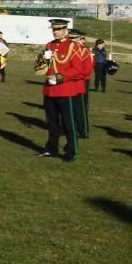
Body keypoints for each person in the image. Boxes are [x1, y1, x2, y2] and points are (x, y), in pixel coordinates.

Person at [39, 19, 82, 161]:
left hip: (64, 89)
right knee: (51, 122)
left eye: (58, 29)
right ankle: (51, 148)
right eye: (54, 29)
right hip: (49, 90)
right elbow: (42, 65)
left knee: (68, 122)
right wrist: (42, 62)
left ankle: (71, 151)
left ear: (65, 30)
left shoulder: (72, 46)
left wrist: (59, 77)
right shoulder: (49, 45)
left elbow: (77, 69)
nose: (55, 32)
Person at [68, 29, 93, 139]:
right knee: (68, 108)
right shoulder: (68, 50)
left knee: (80, 108)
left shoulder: (84, 51)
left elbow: (87, 70)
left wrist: (73, 76)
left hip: (80, 83)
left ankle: (83, 131)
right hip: (67, 83)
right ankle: (67, 129)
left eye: (74, 39)